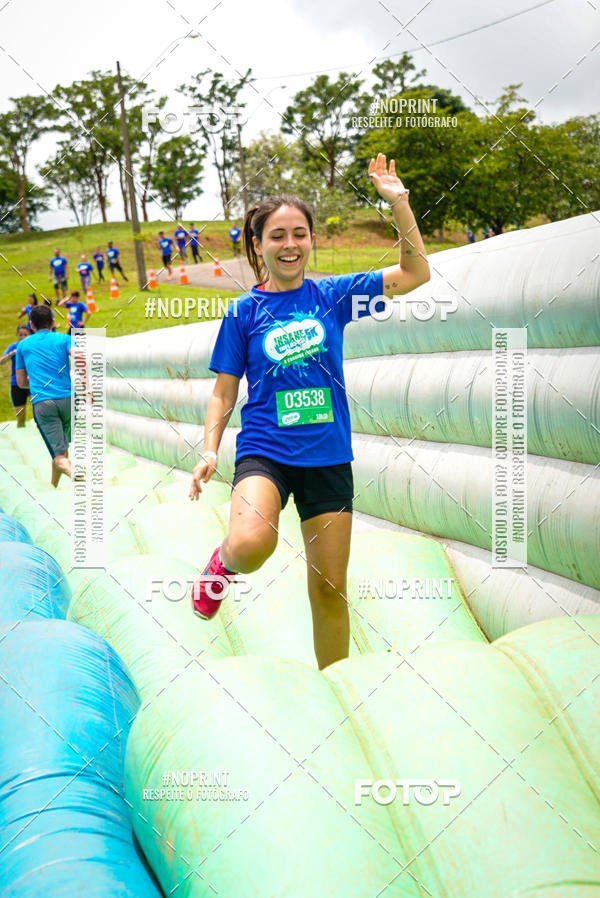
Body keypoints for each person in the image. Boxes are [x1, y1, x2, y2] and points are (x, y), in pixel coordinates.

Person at [188, 153, 431, 670]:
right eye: (277, 235)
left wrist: (400, 204)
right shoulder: (243, 312)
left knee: (329, 589)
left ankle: (336, 691)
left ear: (311, 240)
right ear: (258, 245)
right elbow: (223, 392)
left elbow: (415, 273)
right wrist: (209, 449)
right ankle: (222, 563)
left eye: (300, 233)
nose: (290, 244)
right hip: (265, 451)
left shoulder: (334, 296)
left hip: (327, 455)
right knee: (253, 543)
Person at [15, 305, 74, 486]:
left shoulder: (23, 345)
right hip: (68, 401)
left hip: (43, 402)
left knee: (59, 455)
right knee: (61, 449)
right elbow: (78, 358)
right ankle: (53, 485)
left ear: (31, 324)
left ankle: (74, 471)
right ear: (53, 322)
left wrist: (33, 380)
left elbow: (20, 382)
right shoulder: (65, 338)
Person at [1, 325, 31, 427]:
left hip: (32, 384)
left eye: (25, 335)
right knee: (20, 420)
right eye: (20, 335)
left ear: (30, 335)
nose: (23, 337)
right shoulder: (13, 347)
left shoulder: (33, 346)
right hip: (16, 384)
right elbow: (1, 361)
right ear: (17, 335)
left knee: (40, 415)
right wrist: (11, 354)